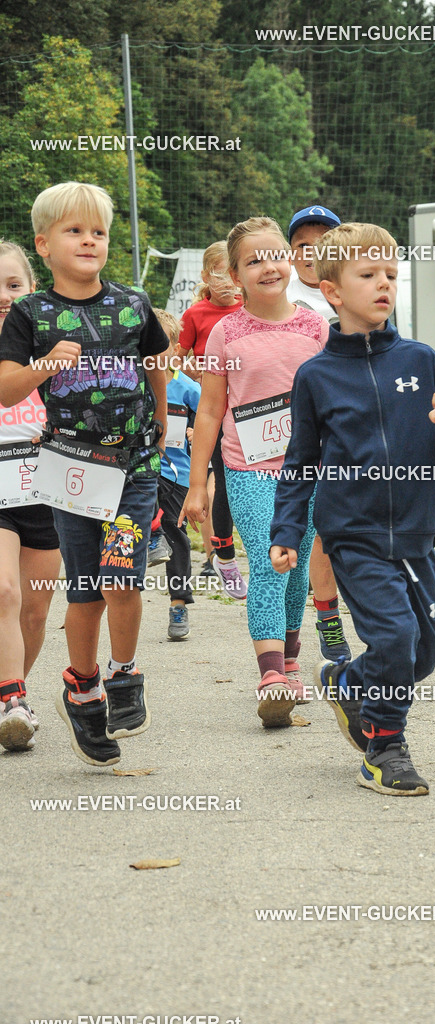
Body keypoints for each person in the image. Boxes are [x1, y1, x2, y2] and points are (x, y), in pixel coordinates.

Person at [269, 223, 435, 796]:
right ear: (333, 290)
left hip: (417, 535)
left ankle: (349, 682)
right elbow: (300, 462)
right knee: (394, 637)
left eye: (391, 274)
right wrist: (287, 528)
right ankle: (384, 747)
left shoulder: (422, 358)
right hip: (354, 537)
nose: (383, 284)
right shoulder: (315, 376)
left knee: (424, 650)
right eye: (368, 275)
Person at [0, 181, 168, 767]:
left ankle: (125, 675)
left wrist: (164, 420)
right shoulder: (29, 314)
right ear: (44, 245)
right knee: (87, 590)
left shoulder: (133, 304)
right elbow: (4, 389)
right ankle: (83, 684)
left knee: (124, 574)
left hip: (134, 467)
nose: (89, 240)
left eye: (98, 231)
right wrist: (44, 365)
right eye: (74, 231)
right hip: (70, 469)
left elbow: (155, 363)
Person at [179, 216, 329, 727]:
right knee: (271, 559)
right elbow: (209, 409)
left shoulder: (315, 326)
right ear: (235, 275)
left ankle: (289, 662)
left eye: (275, 255)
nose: (267, 266)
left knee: (298, 565)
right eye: (252, 261)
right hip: (248, 468)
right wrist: (198, 483)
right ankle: (269, 675)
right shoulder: (225, 333)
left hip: (307, 470)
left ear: (291, 259)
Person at [0, 240, 61, 751]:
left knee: (35, 611)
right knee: (4, 591)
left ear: (32, 290)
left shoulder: (55, 348)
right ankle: (10, 698)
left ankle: (13, 693)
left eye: (13, 285)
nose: (4, 297)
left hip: (46, 487)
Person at [287, 204, 351, 662]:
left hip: (348, 427)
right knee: (301, 534)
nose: (311, 253)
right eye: (302, 246)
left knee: (332, 531)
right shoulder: (278, 291)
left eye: (321, 244)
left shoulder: (360, 285)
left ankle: (333, 618)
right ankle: (311, 631)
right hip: (292, 430)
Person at [178, 241, 247, 596]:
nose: (226, 284)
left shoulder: (250, 309)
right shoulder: (196, 315)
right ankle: (223, 555)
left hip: (251, 407)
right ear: (205, 276)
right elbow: (179, 357)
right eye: (217, 275)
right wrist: (202, 376)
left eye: (229, 275)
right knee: (220, 478)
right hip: (214, 408)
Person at [153, 308, 202, 640]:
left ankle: (178, 603)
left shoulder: (187, 389)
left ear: (174, 347)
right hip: (139, 470)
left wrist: (196, 432)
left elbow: (211, 423)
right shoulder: (134, 385)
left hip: (176, 473)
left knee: (176, 536)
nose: (157, 353)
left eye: (163, 345)